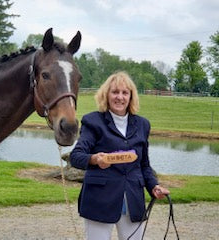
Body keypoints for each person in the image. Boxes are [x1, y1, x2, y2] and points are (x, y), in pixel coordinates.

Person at [70, 71, 170, 240]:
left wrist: (154, 186)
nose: (120, 97)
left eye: (125, 93)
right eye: (115, 92)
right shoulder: (93, 121)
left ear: (131, 97)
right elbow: (76, 156)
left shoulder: (143, 124)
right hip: (99, 201)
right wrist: (95, 159)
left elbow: (144, 165)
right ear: (106, 95)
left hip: (133, 199)